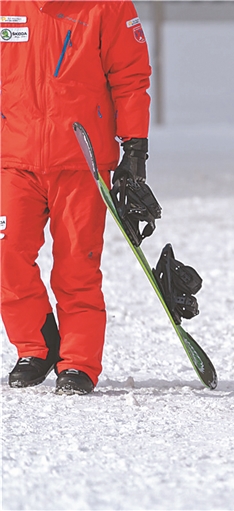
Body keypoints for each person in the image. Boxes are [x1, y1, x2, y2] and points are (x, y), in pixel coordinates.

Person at [1, 1, 152, 394]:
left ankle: (78, 362)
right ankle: (36, 346)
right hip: (13, 157)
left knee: (77, 266)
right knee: (6, 256)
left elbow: (131, 76)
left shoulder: (109, 6)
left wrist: (135, 147)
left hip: (82, 159)